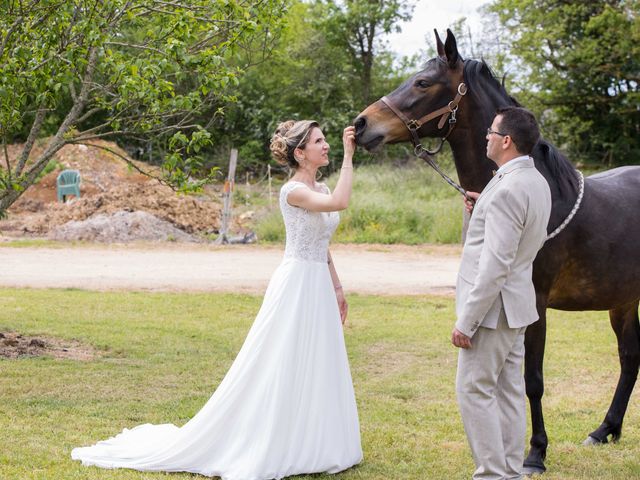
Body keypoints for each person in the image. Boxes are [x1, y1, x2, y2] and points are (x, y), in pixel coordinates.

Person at [72, 121, 362, 479]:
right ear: (300, 153)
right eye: (320, 141)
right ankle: (273, 439)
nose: (327, 146)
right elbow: (341, 203)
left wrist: (336, 286)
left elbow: (322, 242)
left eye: (327, 141)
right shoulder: (292, 191)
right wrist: (350, 155)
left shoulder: (321, 186)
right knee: (281, 358)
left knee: (318, 357)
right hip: (297, 283)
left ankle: (316, 440)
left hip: (318, 281)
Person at [452, 107, 552, 480]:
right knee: (509, 393)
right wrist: (480, 210)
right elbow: (523, 238)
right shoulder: (533, 181)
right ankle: (511, 470)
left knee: (474, 391)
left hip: (493, 312)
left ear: (507, 141)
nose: (487, 137)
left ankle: (493, 474)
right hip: (518, 308)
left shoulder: (508, 189)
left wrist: (467, 320)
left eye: (491, 133)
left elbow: (494, 266)